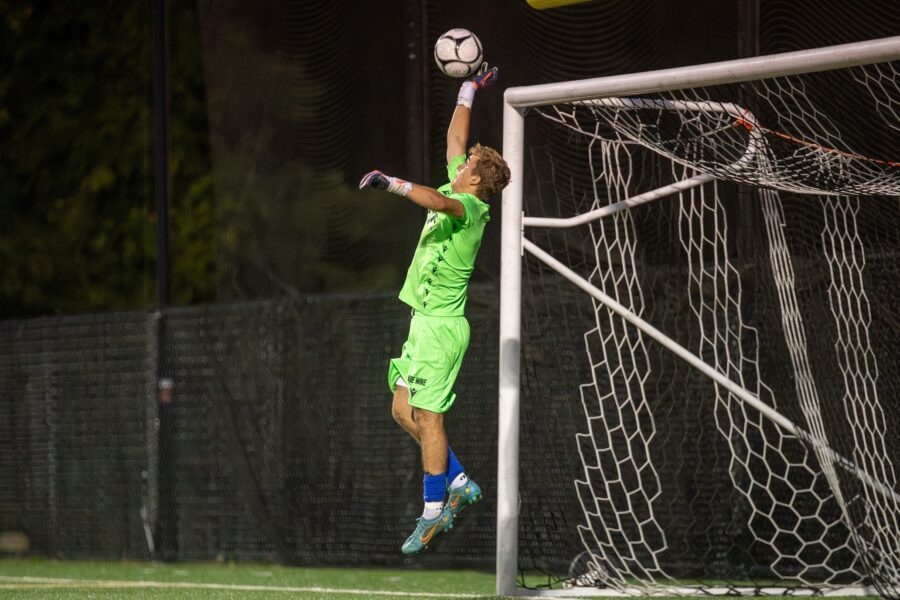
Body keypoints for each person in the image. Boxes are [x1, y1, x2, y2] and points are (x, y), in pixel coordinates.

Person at [358, 64, 510, 554]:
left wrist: (391, 184)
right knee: (402, 410)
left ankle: (432, 511)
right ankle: (459, 480)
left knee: (428, 415)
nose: (460, 163)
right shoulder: (458, 184)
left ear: (476, 179)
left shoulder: (470, 209)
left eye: (467, 165)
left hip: (442, 330)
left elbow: (437, 204)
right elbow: (454, 138)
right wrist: (468, 89)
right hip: (422, 323)